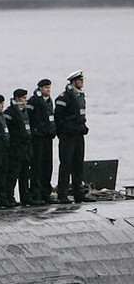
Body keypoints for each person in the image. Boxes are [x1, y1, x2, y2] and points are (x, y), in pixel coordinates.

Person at [55, 70, 88, 203]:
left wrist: (82, 128)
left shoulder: (80, 96)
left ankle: (78, 193)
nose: (82, 82)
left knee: (78, 165)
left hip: (79, 135)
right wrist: (64, 132)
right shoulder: (64, 97)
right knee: (66, 165)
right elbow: (58, 118)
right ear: (74, 82)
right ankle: (62, 194)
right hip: (68, 137)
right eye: (80, 80)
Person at [27, 78, 56, 204]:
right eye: (45, 88)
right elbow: (28, 117)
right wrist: (35, 132)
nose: (48, 90)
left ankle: (46, 192)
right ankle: (35, 193)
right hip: (37, 139)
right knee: (37, 166)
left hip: (47, 137)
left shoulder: (49, 101)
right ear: (40, 88)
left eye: (49, 88)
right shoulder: (33, 101)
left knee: (47, 165)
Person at [4, 88, 33, 206]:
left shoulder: (25, 111)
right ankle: (9, 197)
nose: (26, 100)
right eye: (24, 98)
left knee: (25, 173)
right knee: (13, 173)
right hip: (16, 147)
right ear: (17, 98)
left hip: (26, 146)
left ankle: (25, 196)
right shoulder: (10, 112)